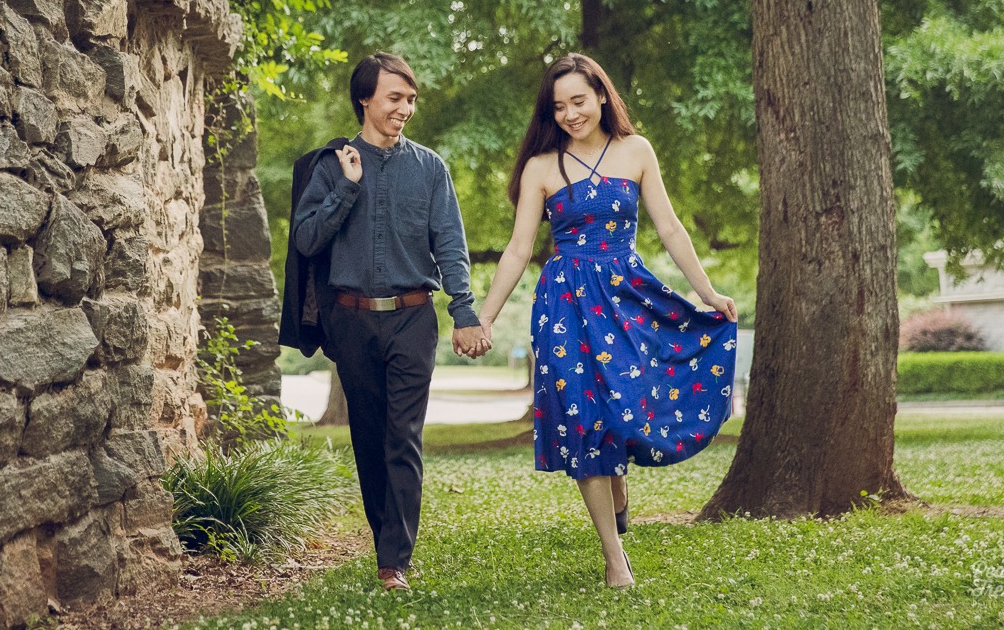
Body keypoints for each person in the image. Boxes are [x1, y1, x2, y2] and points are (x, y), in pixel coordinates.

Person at [476, 53, 738, 589]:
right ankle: (614, 556)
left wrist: (706, 290)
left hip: (624, 295)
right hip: (565, 304)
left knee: (624, 405)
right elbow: (518, 250)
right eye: (559, 106)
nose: (571, 113)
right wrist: (484, 318)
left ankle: (618, 483)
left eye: (579, 101)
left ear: (600, 96)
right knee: (585, 419)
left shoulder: (635, 151)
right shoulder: (541, 167)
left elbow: (669, 228)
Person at [291, 52, 489, 593]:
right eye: (394, 98)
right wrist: (347, 188)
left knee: (403, 437)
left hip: (412, 320)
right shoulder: (330, 166)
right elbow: (306, 239)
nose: (405, 108)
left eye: (411, 99)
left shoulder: (430, 168)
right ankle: (387, 544)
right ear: (366, 99)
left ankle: (393, 560)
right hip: (350, 322)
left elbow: (450, 243)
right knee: (369, 436)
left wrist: (464, 310)